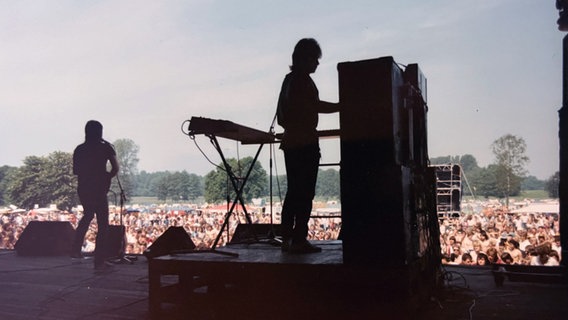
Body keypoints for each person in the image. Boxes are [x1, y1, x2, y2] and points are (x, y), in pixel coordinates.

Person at [277, 38, 340, 254]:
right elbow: (316, 106)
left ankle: (287, 237)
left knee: (294, 192)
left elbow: (281, 117)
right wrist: (343, 106)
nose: (317, 64)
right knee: (304, 193)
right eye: (315, 59)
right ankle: (299, 239)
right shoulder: (302, 81)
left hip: (291, 142)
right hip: (305, 144)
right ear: (305, 58)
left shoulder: (289, 80)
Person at [71, 120, 119, 270]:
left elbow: (76, 171)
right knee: (103, 224)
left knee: (88, 215)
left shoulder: (79, 149)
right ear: (100, 132)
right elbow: (115, 168)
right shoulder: (106, 147)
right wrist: (107, 178)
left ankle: (75, 250)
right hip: (99, 188)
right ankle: (99, 261)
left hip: (84, 188)